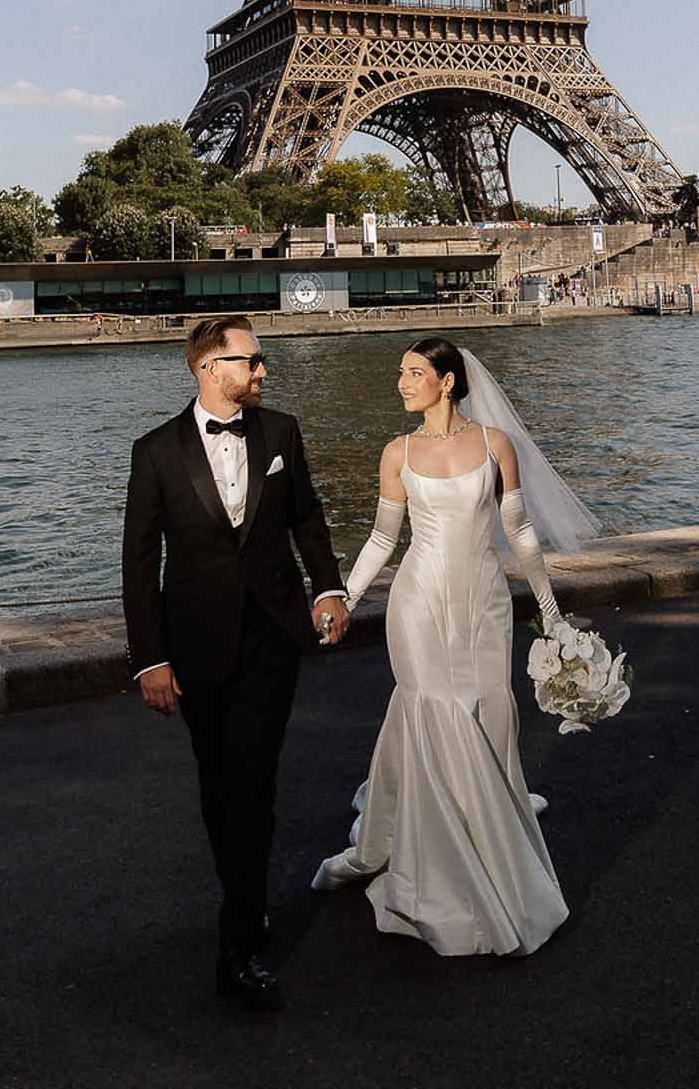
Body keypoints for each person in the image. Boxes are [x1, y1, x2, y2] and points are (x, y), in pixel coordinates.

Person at [312, 337, 597, 956]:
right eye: (400, 373)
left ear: (447, 382)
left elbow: (518, 532)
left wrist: (550, 613)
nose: (401, 382)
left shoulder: (497, 446)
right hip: (418, 601)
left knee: (488, 706)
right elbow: (382, 541)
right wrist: (347, 600)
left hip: (486, 600)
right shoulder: (397, 453)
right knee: (434, 706)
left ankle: (491, 807)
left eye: (414, 373)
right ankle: (444, 857)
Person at [122, 315, 348, 1013]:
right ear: (207, 367)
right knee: (220, 782)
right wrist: (149, 659)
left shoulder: (280, 433)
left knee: (251, 779)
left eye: (259, 361)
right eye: (250, 361)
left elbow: (305, 518)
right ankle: (245, 899)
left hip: (271, 638)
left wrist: (329, 588)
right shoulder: (154, 450)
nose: (261, 371)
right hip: (193, 645)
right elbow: (138, 562)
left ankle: (238, 943)